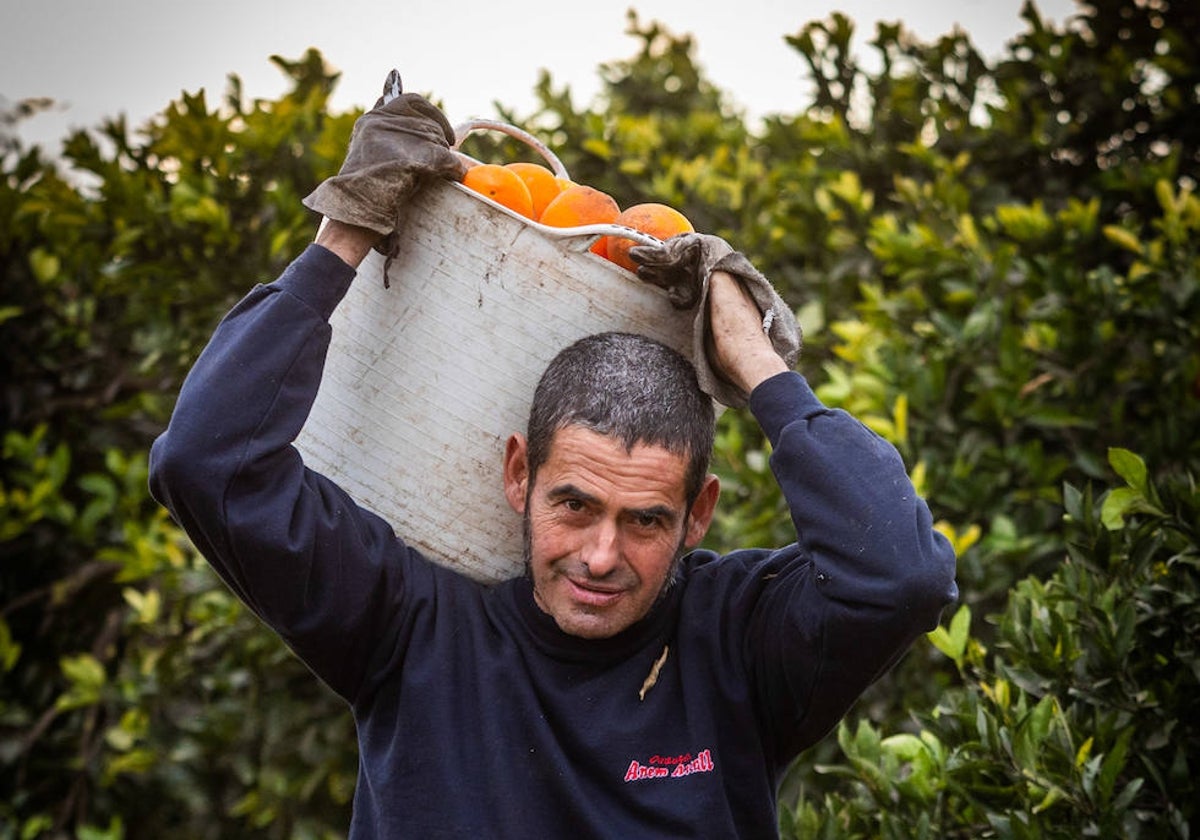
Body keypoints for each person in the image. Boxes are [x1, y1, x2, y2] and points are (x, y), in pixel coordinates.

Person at [149, 85, 958, 839]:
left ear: (698, 512)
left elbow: (901, 577)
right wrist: (346, 231)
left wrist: (753, 360)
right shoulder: (409, 623)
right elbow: (205, 461)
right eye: (574, 504)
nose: (602, 557)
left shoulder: (738, 643)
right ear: (519, 476)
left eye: (646, 520)